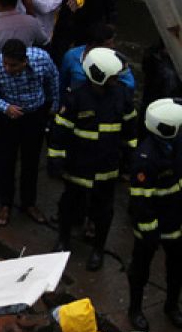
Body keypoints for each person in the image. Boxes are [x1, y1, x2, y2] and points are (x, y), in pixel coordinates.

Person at [49, 47, 138, 271]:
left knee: (103, 211)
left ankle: (98, 249)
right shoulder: (76, 97)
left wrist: (130, 160)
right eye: (113, 78)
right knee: (69, 205)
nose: (117, 81)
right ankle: (63, 240)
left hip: (106, 167)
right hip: (78, 165)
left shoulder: (123, 97)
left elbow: (130, 130)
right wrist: (56, 160)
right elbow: (60, 131)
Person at [0, 39, 60, 227]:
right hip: (9, 118)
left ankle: (28, 203)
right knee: (6, 160)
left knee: (31, 161)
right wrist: (5, 106)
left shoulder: (42, 59)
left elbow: (53, 79)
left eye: (13, 65)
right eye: (6, 63)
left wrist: (54, 104)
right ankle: (5, 204)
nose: (7, 68)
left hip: (35, 115)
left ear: (25, 61)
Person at [127, 98, 182, 330]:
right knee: (140, 268)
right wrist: (149, 231)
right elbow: (140, 200)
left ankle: (172, 306)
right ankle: (135, 309)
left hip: (175, 217)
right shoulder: (145, 159)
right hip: (150, 221)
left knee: (177, 266)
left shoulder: (177, 142)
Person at [59, 24, 135, 98]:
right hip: (77, 104)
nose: (113, 46)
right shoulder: (71, 56)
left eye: (112, 42)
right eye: (108, 44)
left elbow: (130, 85)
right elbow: (62, 84)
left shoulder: (117, 60)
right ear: (93, 44)